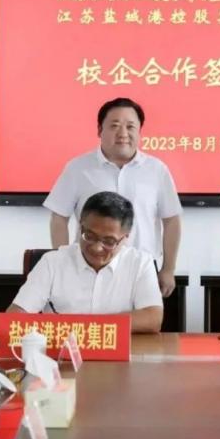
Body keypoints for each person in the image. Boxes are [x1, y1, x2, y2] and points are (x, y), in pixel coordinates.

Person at [44, 97, 182, 298]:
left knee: (143, 318)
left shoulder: (156, 170)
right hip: (89, 266)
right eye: (115, 126)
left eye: (130, 126)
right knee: (91, 318)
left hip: (142, 268)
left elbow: (172, 221)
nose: (123, 133)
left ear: (140, 131)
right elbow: (58, 218)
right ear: (99, 130)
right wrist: (64, 264)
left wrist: (168, 269)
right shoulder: (78, 168)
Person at [8, 191, 163, 333]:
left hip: (120, 352)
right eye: (89, 236)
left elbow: (152, 318)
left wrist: (84, 327)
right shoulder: (52, 262)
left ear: (125, 237)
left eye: (109, 241)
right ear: (81, 226)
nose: (96, 248)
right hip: (61, 351)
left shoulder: (140, 263)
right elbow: (14, 316)